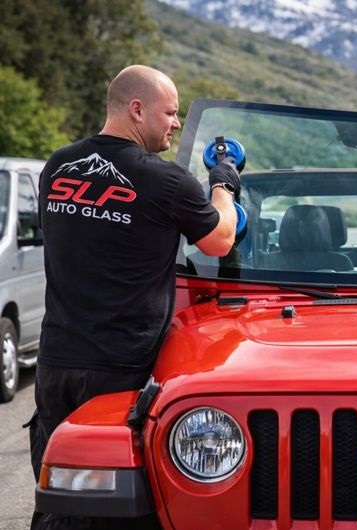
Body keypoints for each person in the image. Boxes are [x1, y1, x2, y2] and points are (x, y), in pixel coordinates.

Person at [27, 65, 242, 530]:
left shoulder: (57, 166)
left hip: (56, 363)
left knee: (58, 495)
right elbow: (221, 240)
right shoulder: (166, 182)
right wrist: (223, 185)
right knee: (118, 511)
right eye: (170, 112)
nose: (177, 123)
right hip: (121, 370)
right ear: (137, 109)